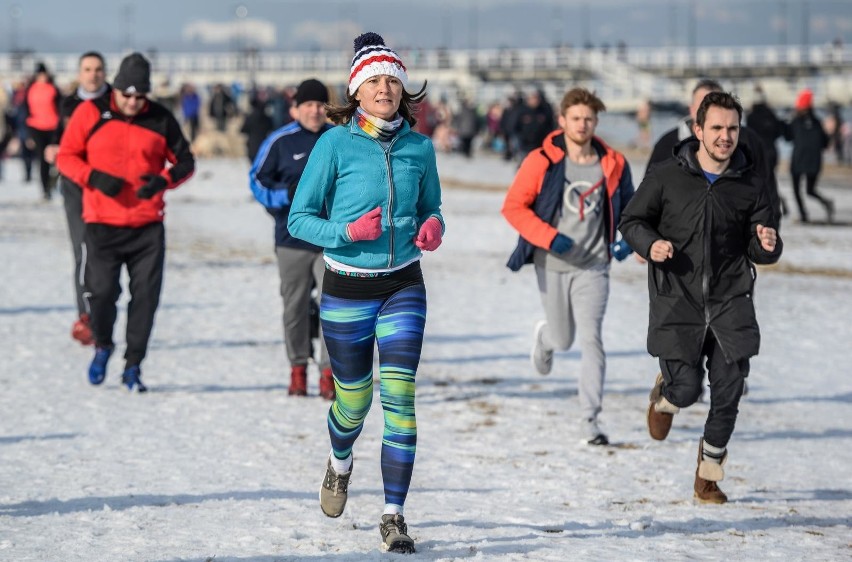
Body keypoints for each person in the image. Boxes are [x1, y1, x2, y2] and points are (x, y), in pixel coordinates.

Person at [287, 32, 444, 554]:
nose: (385, 89)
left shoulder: (420, 147)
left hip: (404, 284)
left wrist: (433, 225)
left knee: (400, 399)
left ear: (403, 89)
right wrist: (347, 234)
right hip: (346, 287)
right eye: (374, 81)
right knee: (352, 402)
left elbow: (432, 206)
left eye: (392, 81)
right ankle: (339, 464)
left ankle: (393, 514)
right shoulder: (334, 144)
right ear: (356, 91)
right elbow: (299, 218)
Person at [618, 91, 782, 504]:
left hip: (731, 300)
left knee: (729, 389)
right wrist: (650, 243)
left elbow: (764, 243)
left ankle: (707, 476)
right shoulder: (665, 176)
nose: (725, 136)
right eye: (717, 128)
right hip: (678, 298)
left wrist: (767, 245)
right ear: (698, 130)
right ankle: (666, 396)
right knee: (688, 388)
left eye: (732, 128)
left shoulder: (752, 183)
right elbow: (632, 220)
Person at [502, 87, 635, 446]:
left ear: (596, 121)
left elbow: (635, 211)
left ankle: (589, 418)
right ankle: (545, 338)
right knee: (564, 340)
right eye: (575, 118)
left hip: (595, 265)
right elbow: (514, 207)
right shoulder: (541, 160)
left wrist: (632, 241)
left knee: (592, 339)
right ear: (562, 120)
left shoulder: (614, 163)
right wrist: (549, 237)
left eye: (589, 119)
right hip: (553, 263)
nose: (582, 124)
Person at [56, 52, 195, 392]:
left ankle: (133, 366)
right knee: (102, 294)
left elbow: (186, 161)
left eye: (140, 96)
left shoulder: (161, 118)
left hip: (147, 227)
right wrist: (93, 177)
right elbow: (66, 157)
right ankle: (103, 344)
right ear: (115, 89)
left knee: (145, 298)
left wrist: (163, 180)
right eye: (127, 94)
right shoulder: (90, 112)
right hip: (102, 223)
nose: (133, 102)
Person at [249, 78, 334, 399]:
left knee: (333, 310)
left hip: (332, 241)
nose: (314, 111)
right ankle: (297, 369)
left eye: (320, 105)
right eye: (308, 105)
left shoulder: (338, 139)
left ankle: (329, 374)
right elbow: (257, 182)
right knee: (294, 309)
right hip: (291, 240)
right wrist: (286, 195)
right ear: (295, 108)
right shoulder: (280, 141)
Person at [42, 51, 111, 347]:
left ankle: (106, 313)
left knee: (106, 253)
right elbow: (58, 136)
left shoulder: (117, 103)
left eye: (98, 69)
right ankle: (87, 317)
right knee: (82, 250)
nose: (93, 74)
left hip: (108, 186)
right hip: (74, 185)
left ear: (105, 73)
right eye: (87, 69)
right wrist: (51, 149)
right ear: (79, 73)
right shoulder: (68, 104)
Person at [647, 79, 782, 226]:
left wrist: (768, 232)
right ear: (691, 109)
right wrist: (653, 241)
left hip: (735, 237)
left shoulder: (749, 141)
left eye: (716, 106)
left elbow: (767, 192)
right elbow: (647, 200)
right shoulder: (667, 144)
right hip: (677, 239)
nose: (710, 113)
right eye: (703, 107)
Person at [785, 89, 833, 223]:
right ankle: (826, 203)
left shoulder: (795, 121)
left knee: (796, 189)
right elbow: (825, 143)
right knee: (810, 190)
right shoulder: (817, 122)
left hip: (798, 160)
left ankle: (804, 215)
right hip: (814, 162)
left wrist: (788, 121)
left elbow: (787, 137)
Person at [24, 62, 62, 200]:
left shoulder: (53, 89)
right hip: (36, 127)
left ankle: (53, 182)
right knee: (43, 159)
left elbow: (60, 108)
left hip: (52, 127)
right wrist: (28, 134)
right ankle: (45, 188)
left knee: (58, 159)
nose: (42, 77)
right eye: (40, 74)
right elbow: (26, 110)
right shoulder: (31, 89)